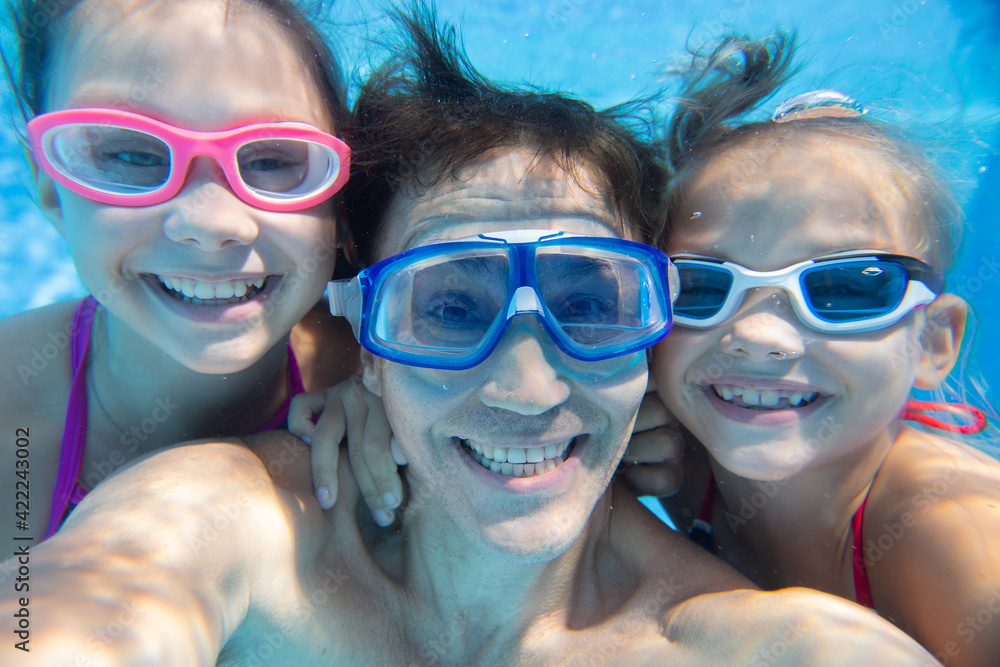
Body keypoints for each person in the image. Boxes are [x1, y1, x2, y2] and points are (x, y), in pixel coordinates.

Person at [0, 11, 938, 665]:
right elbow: (85, 603)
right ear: (361, 338)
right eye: (448, 308)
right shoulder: (224, 516)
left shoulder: (758, 639)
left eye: (589, 304)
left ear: (657, 340)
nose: (526, 386)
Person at [648, 33, 1000, 665]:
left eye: (844, 288)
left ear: (934, 341)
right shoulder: (669, 449)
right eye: (698, 286)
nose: (757, 335)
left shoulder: (950, 532)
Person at [0, 0, 359, 541]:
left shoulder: (390, 383)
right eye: (132, 155)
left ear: (339, 196)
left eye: (270, 160)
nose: (210, 223)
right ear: (51, 188)